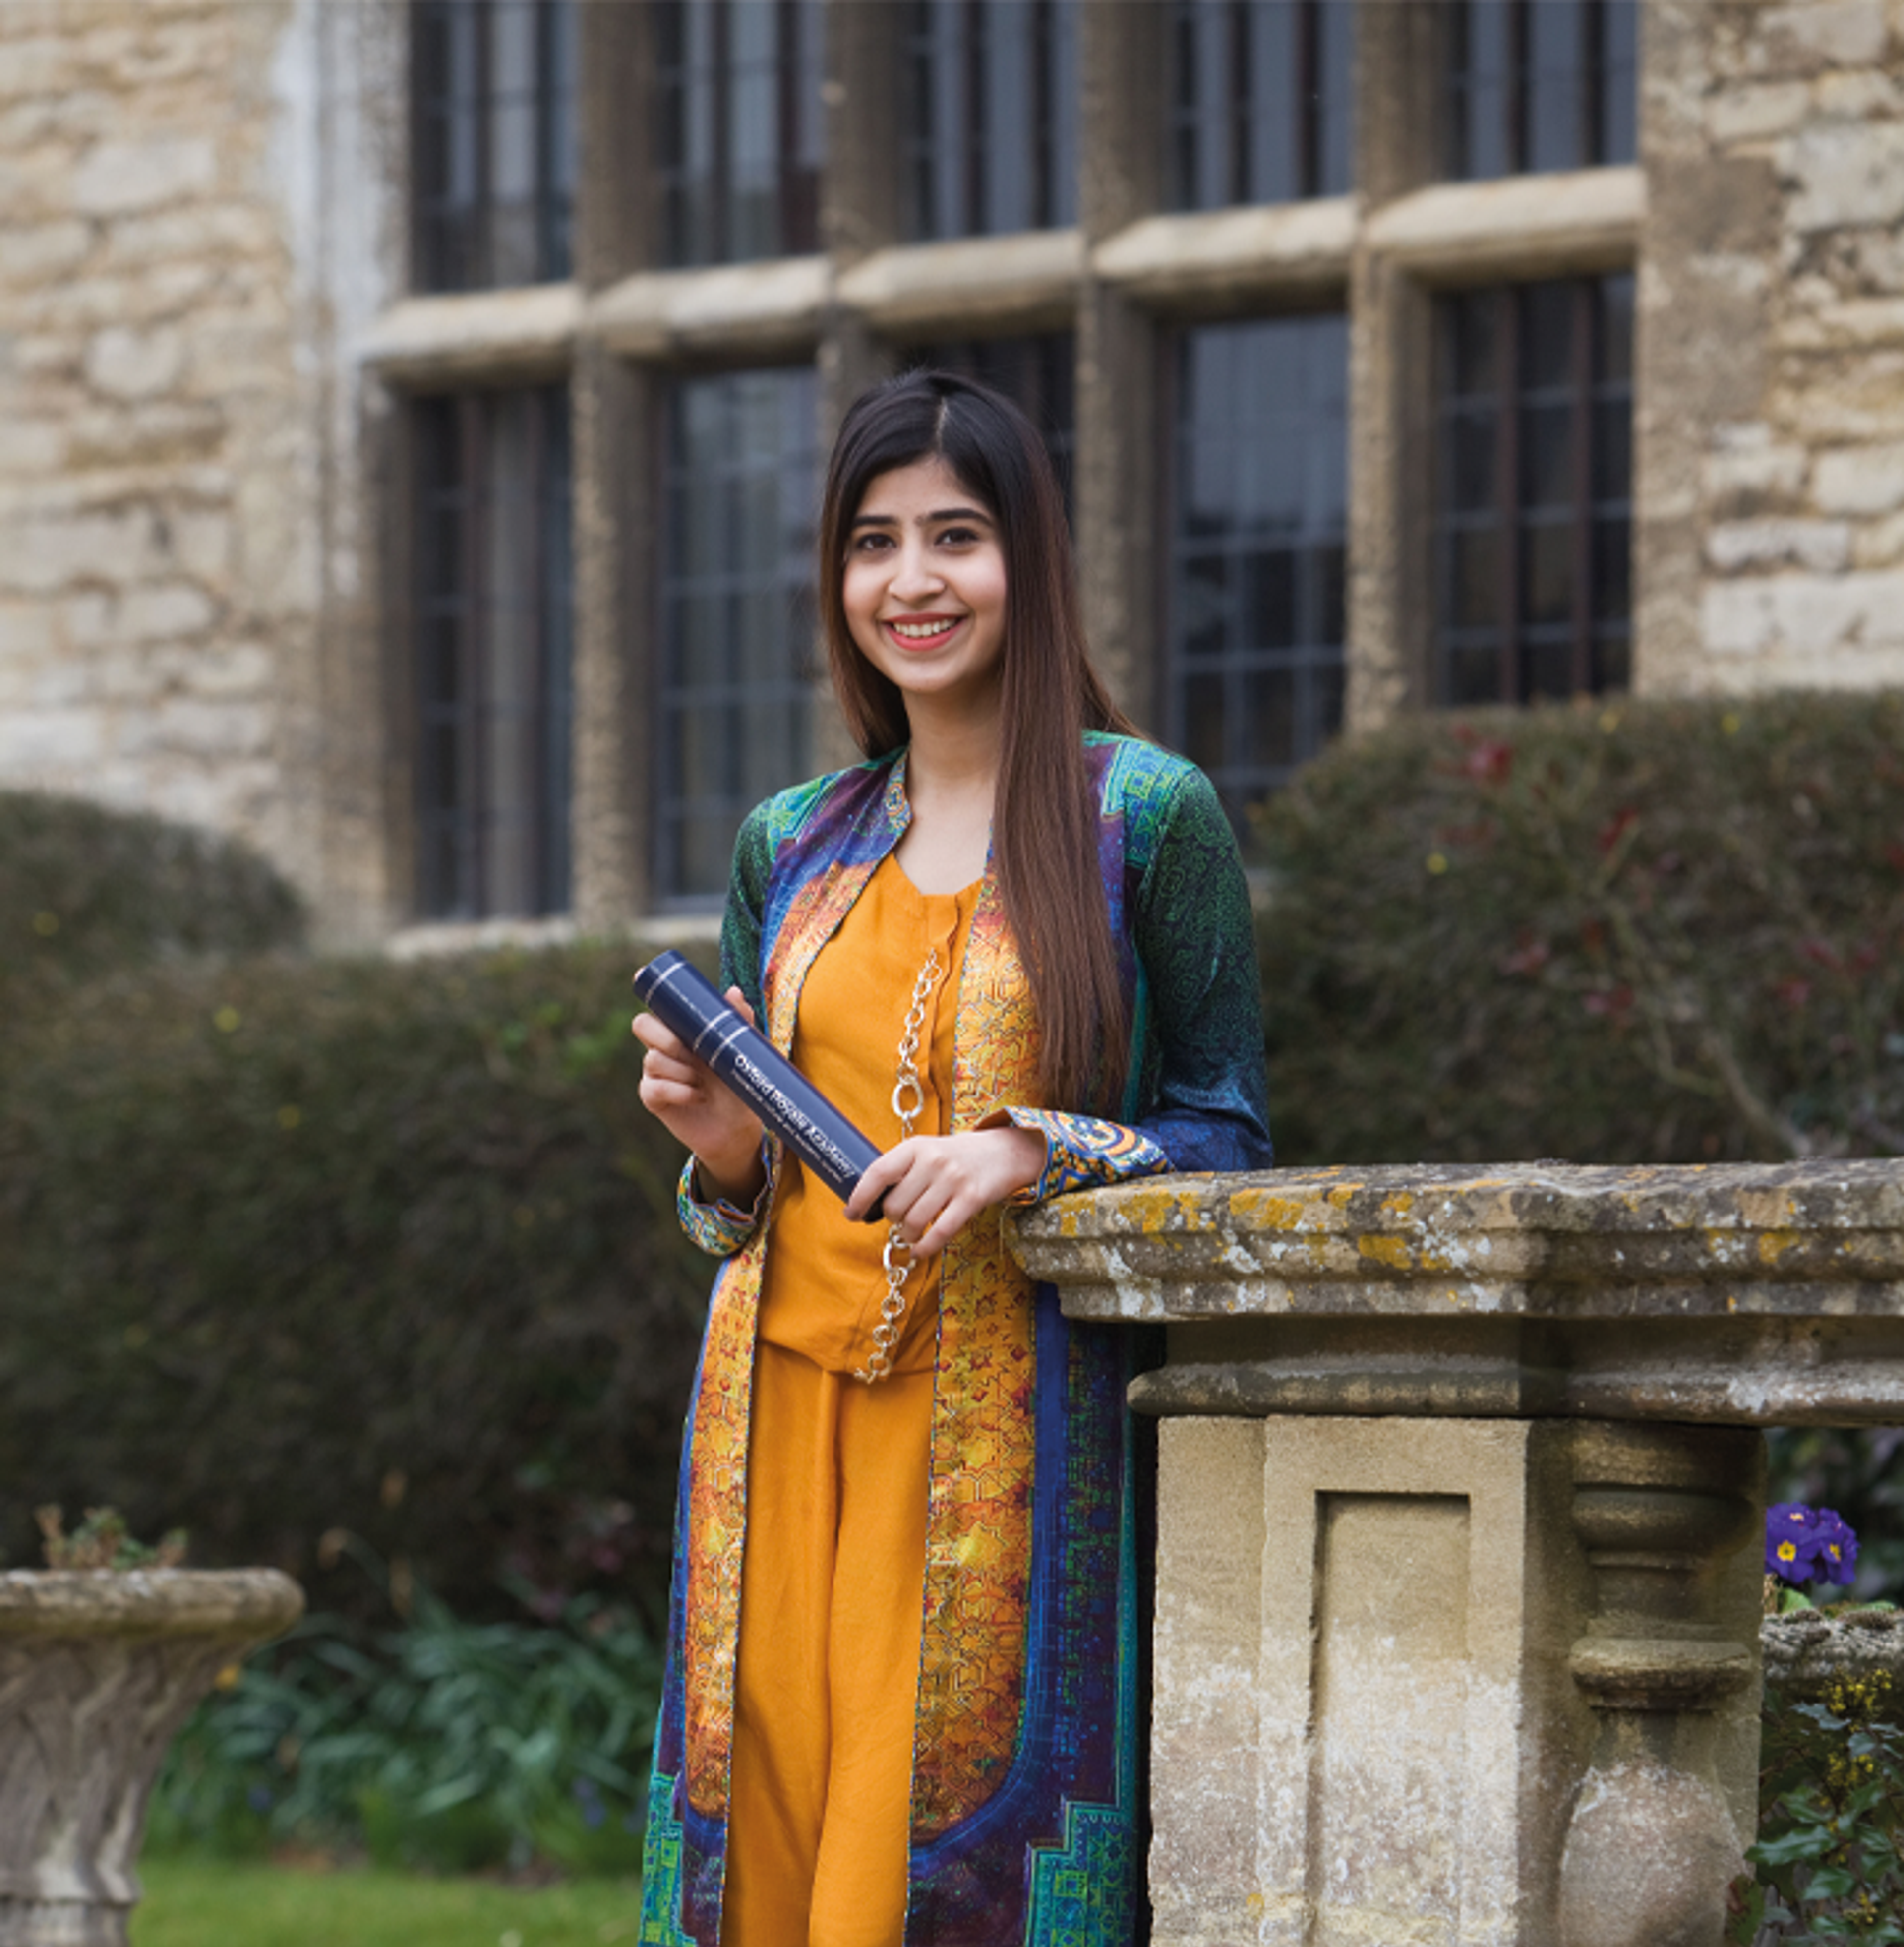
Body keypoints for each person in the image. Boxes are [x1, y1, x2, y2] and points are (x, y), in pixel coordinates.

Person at [633, 369, 1273, 1947]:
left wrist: (1026, 1150)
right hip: (771, 1425)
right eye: (873, 543)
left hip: (1010, 1433)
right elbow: (739, 1207)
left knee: (939, 1876)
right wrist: (719, 1156)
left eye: (955, 536)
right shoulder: (791, 840)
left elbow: (1231, 1133)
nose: (911, 581)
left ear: (1029, 560)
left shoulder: (1143, 816)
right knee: (762, 1854)